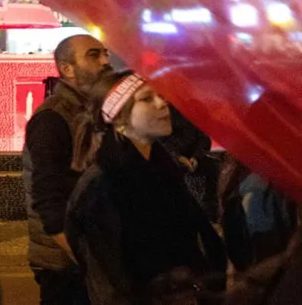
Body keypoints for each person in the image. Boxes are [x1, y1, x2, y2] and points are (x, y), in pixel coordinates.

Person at [66, 71, 226, 303]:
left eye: (161, 96)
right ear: (119, 119)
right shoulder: (103, 184)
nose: (163, 104)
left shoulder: (164, 169)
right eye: (147, 99)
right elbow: (109, 277)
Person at [22, 34, 112, 305]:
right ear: (67, 69)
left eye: (105, 53)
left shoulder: (95, 113)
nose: (106, 61)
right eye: (94, 55)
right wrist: (83, 257)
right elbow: (48, 199)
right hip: (67, 265)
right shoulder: (53, 118)